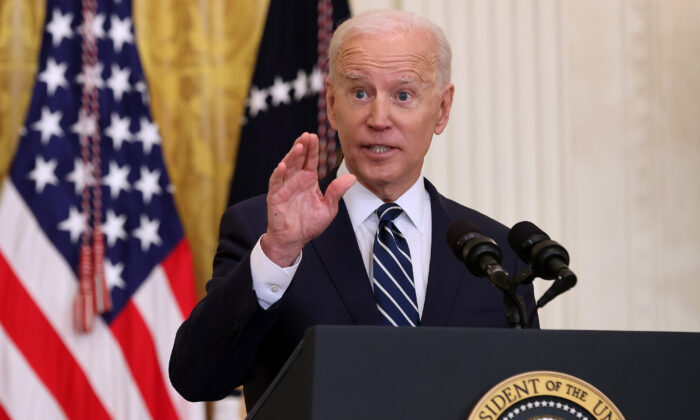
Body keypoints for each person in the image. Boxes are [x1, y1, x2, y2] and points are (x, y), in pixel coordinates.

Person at [169, 9, 537, 409]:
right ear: (331, 102)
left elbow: (525, 399)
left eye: (403, 95)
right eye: (360, 93)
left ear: (442, 109)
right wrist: (277, 254)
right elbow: (198, 378)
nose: (379, 119)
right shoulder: (263, 231)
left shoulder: (497, 253)